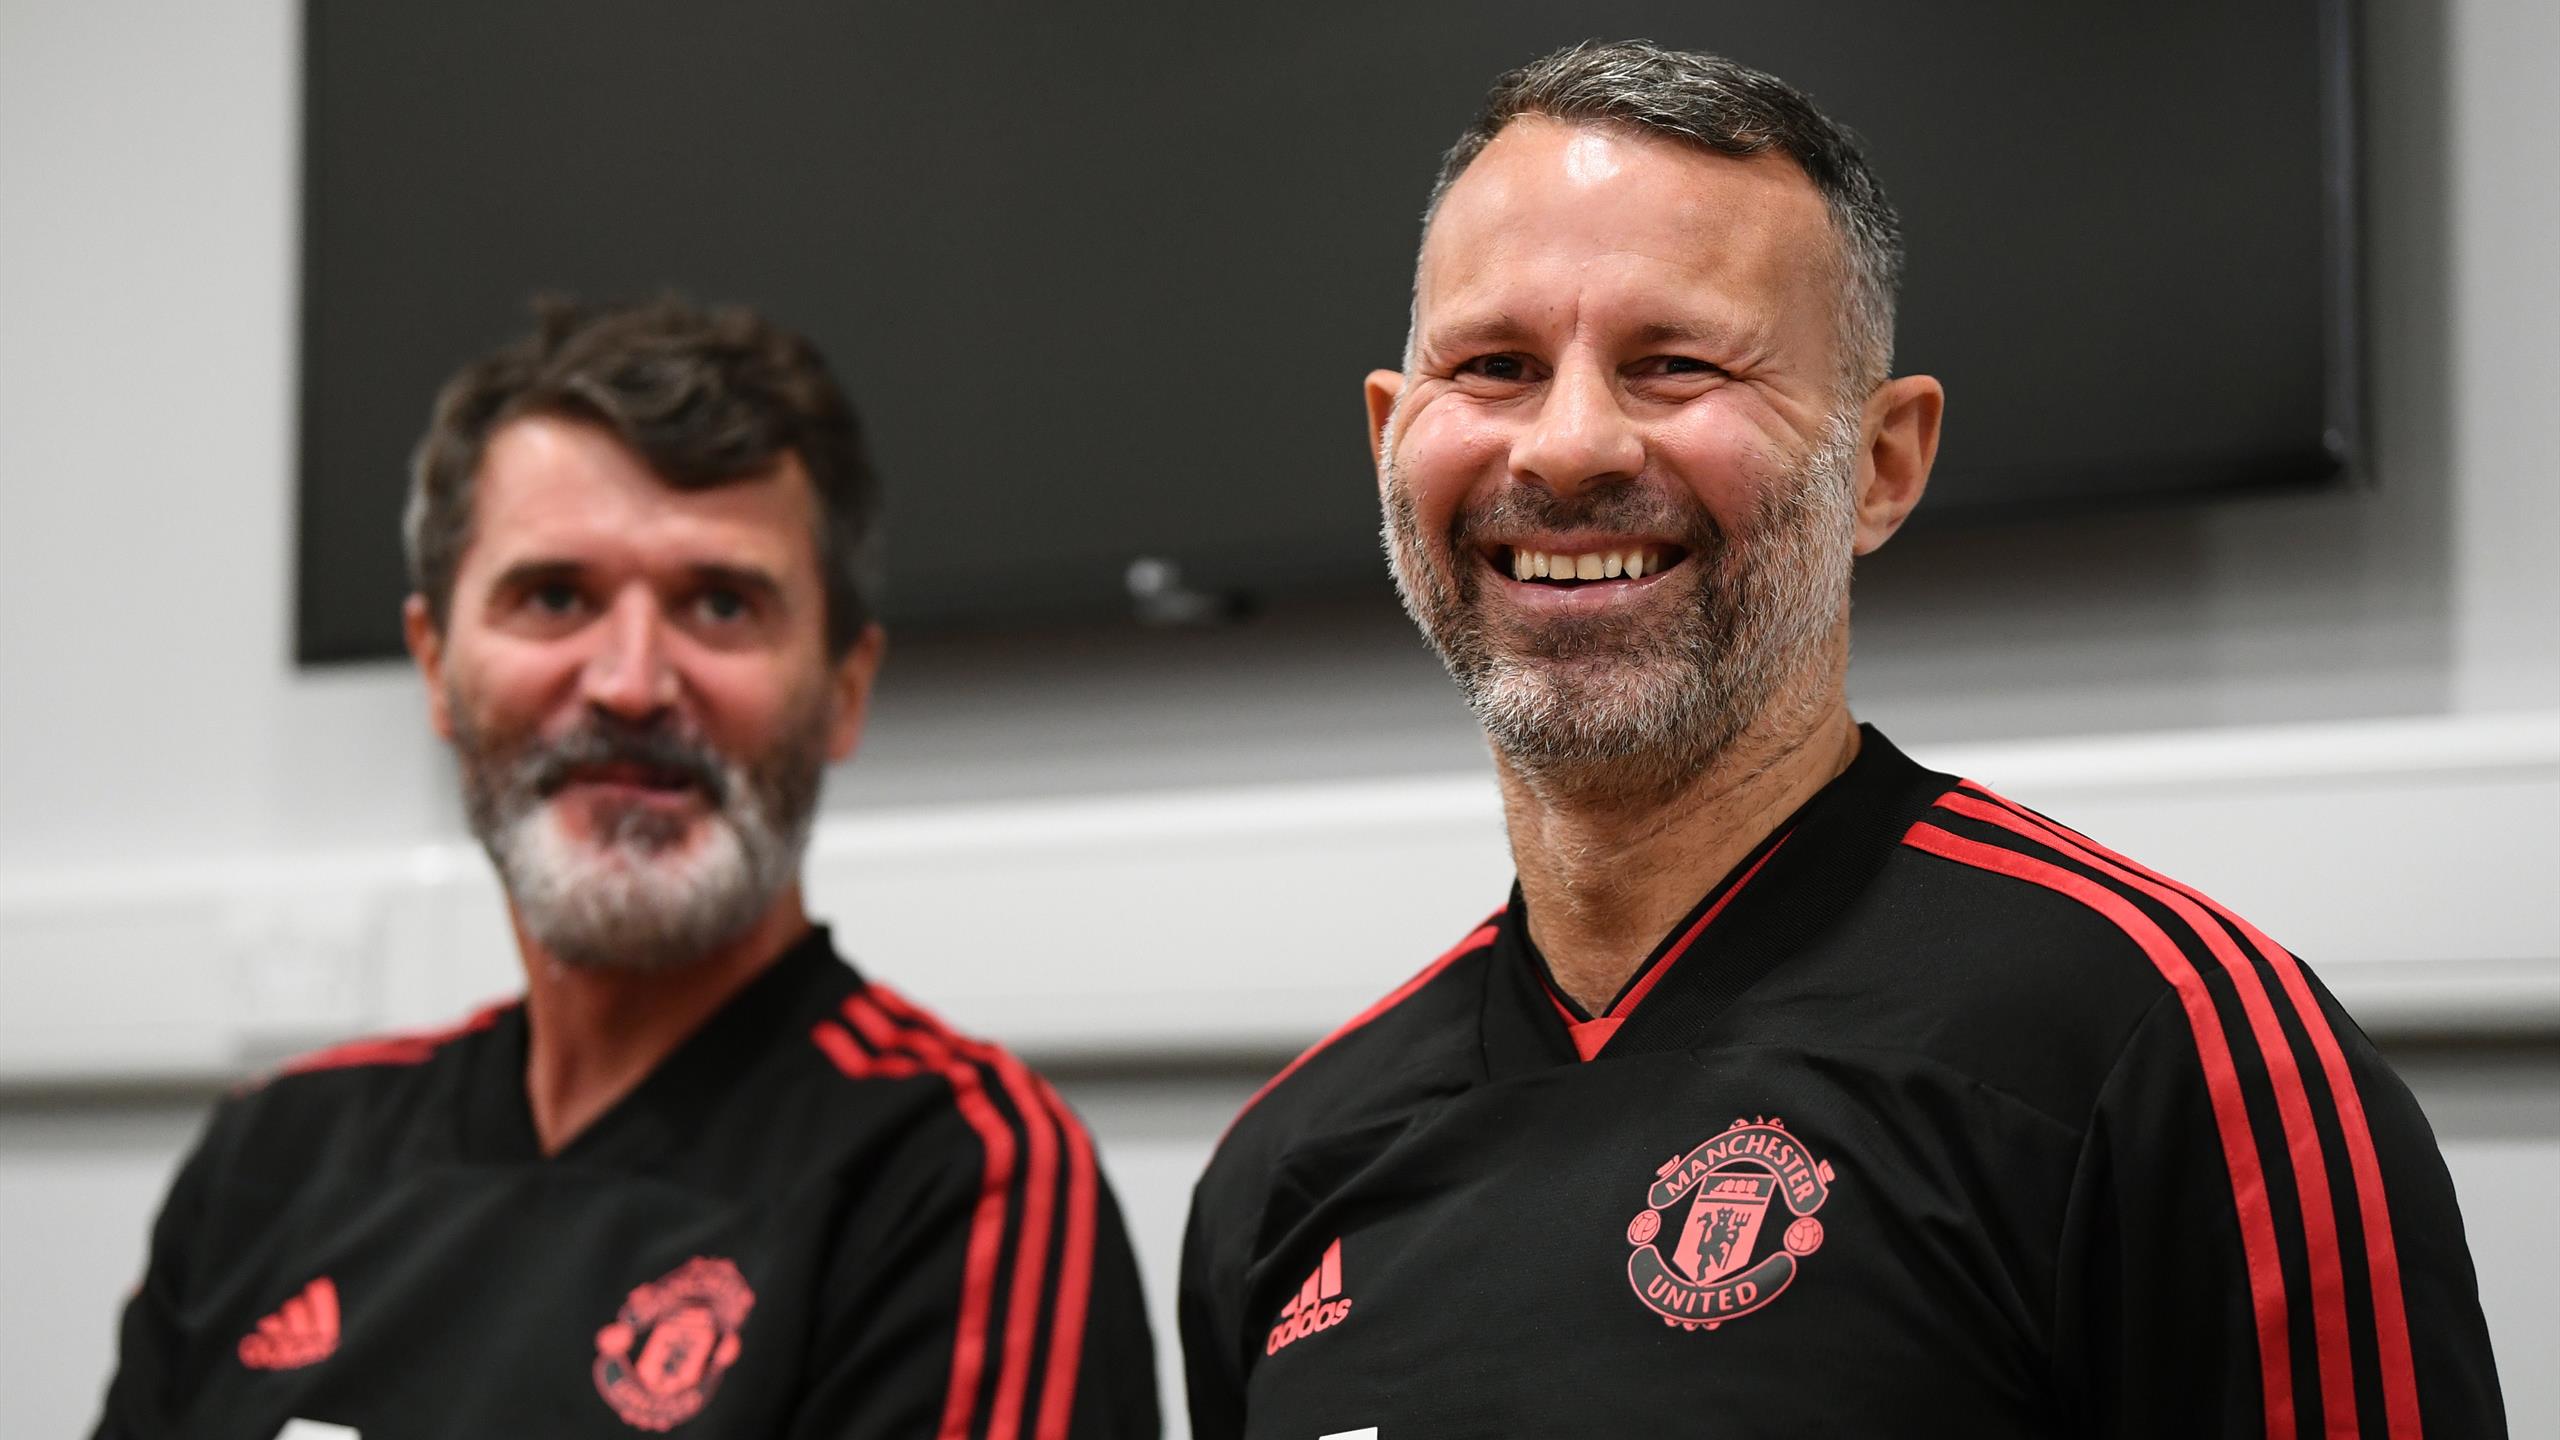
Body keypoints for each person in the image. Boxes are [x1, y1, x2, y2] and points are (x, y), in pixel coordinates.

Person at [1179, 41, 2505, 1438]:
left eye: (1675, 364)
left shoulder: (2175, 1057)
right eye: (1494, 366)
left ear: (1884, 464)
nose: (1567, 447)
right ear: (1391, 440)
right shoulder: (1284, 1169)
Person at [93, 297, 1159, 1439]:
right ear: (436, 667)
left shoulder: (956, 1178)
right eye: (555, 597)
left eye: (721, 605)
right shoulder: (271, 1161)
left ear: (844, 690)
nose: (632, 684)